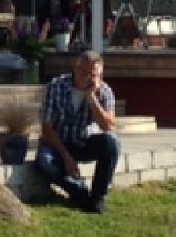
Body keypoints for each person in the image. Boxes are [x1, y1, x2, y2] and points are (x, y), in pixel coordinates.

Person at [35, 50, 121, 213]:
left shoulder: (104, 92)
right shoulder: (56, 86)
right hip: (57, 144)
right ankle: (80, 192)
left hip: (82, 142)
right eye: (81, 71)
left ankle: (98, 198)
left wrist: (92, 98)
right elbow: (46, 128)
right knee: (45, 161)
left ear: (100, 75)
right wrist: (66, 157)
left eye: (92, 73)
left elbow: (108, 127)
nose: (85, 76)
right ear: (75, 68)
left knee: (112, 142)